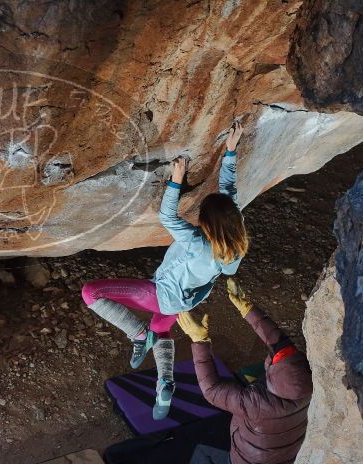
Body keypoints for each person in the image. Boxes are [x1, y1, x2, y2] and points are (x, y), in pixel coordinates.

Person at [81, 120, 247, 419]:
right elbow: (229, 193)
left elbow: (168, 216)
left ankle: (137, 334)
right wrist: (231, 151)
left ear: (208, 225)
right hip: (185, 301)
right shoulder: (234, 243)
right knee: (162, 328)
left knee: (91, 292)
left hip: (160, 294)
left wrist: (176, 179)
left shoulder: (196, 241)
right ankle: (165, 383)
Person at [176, 279, 313, 464]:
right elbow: (281, 345)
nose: (271, 358)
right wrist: (249, 310)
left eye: (272, 362)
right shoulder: (309, 386)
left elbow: (212, 390)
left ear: (273, 375)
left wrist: (199, 341)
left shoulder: (256, 403)